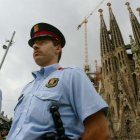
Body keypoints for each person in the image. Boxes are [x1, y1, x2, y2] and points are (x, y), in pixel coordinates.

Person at [7, 22, 110, 140]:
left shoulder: (72, 75)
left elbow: (99, 131)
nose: (35, 46)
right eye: (34, 43)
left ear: (57, 48)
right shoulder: (27, 88)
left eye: (42, 42)